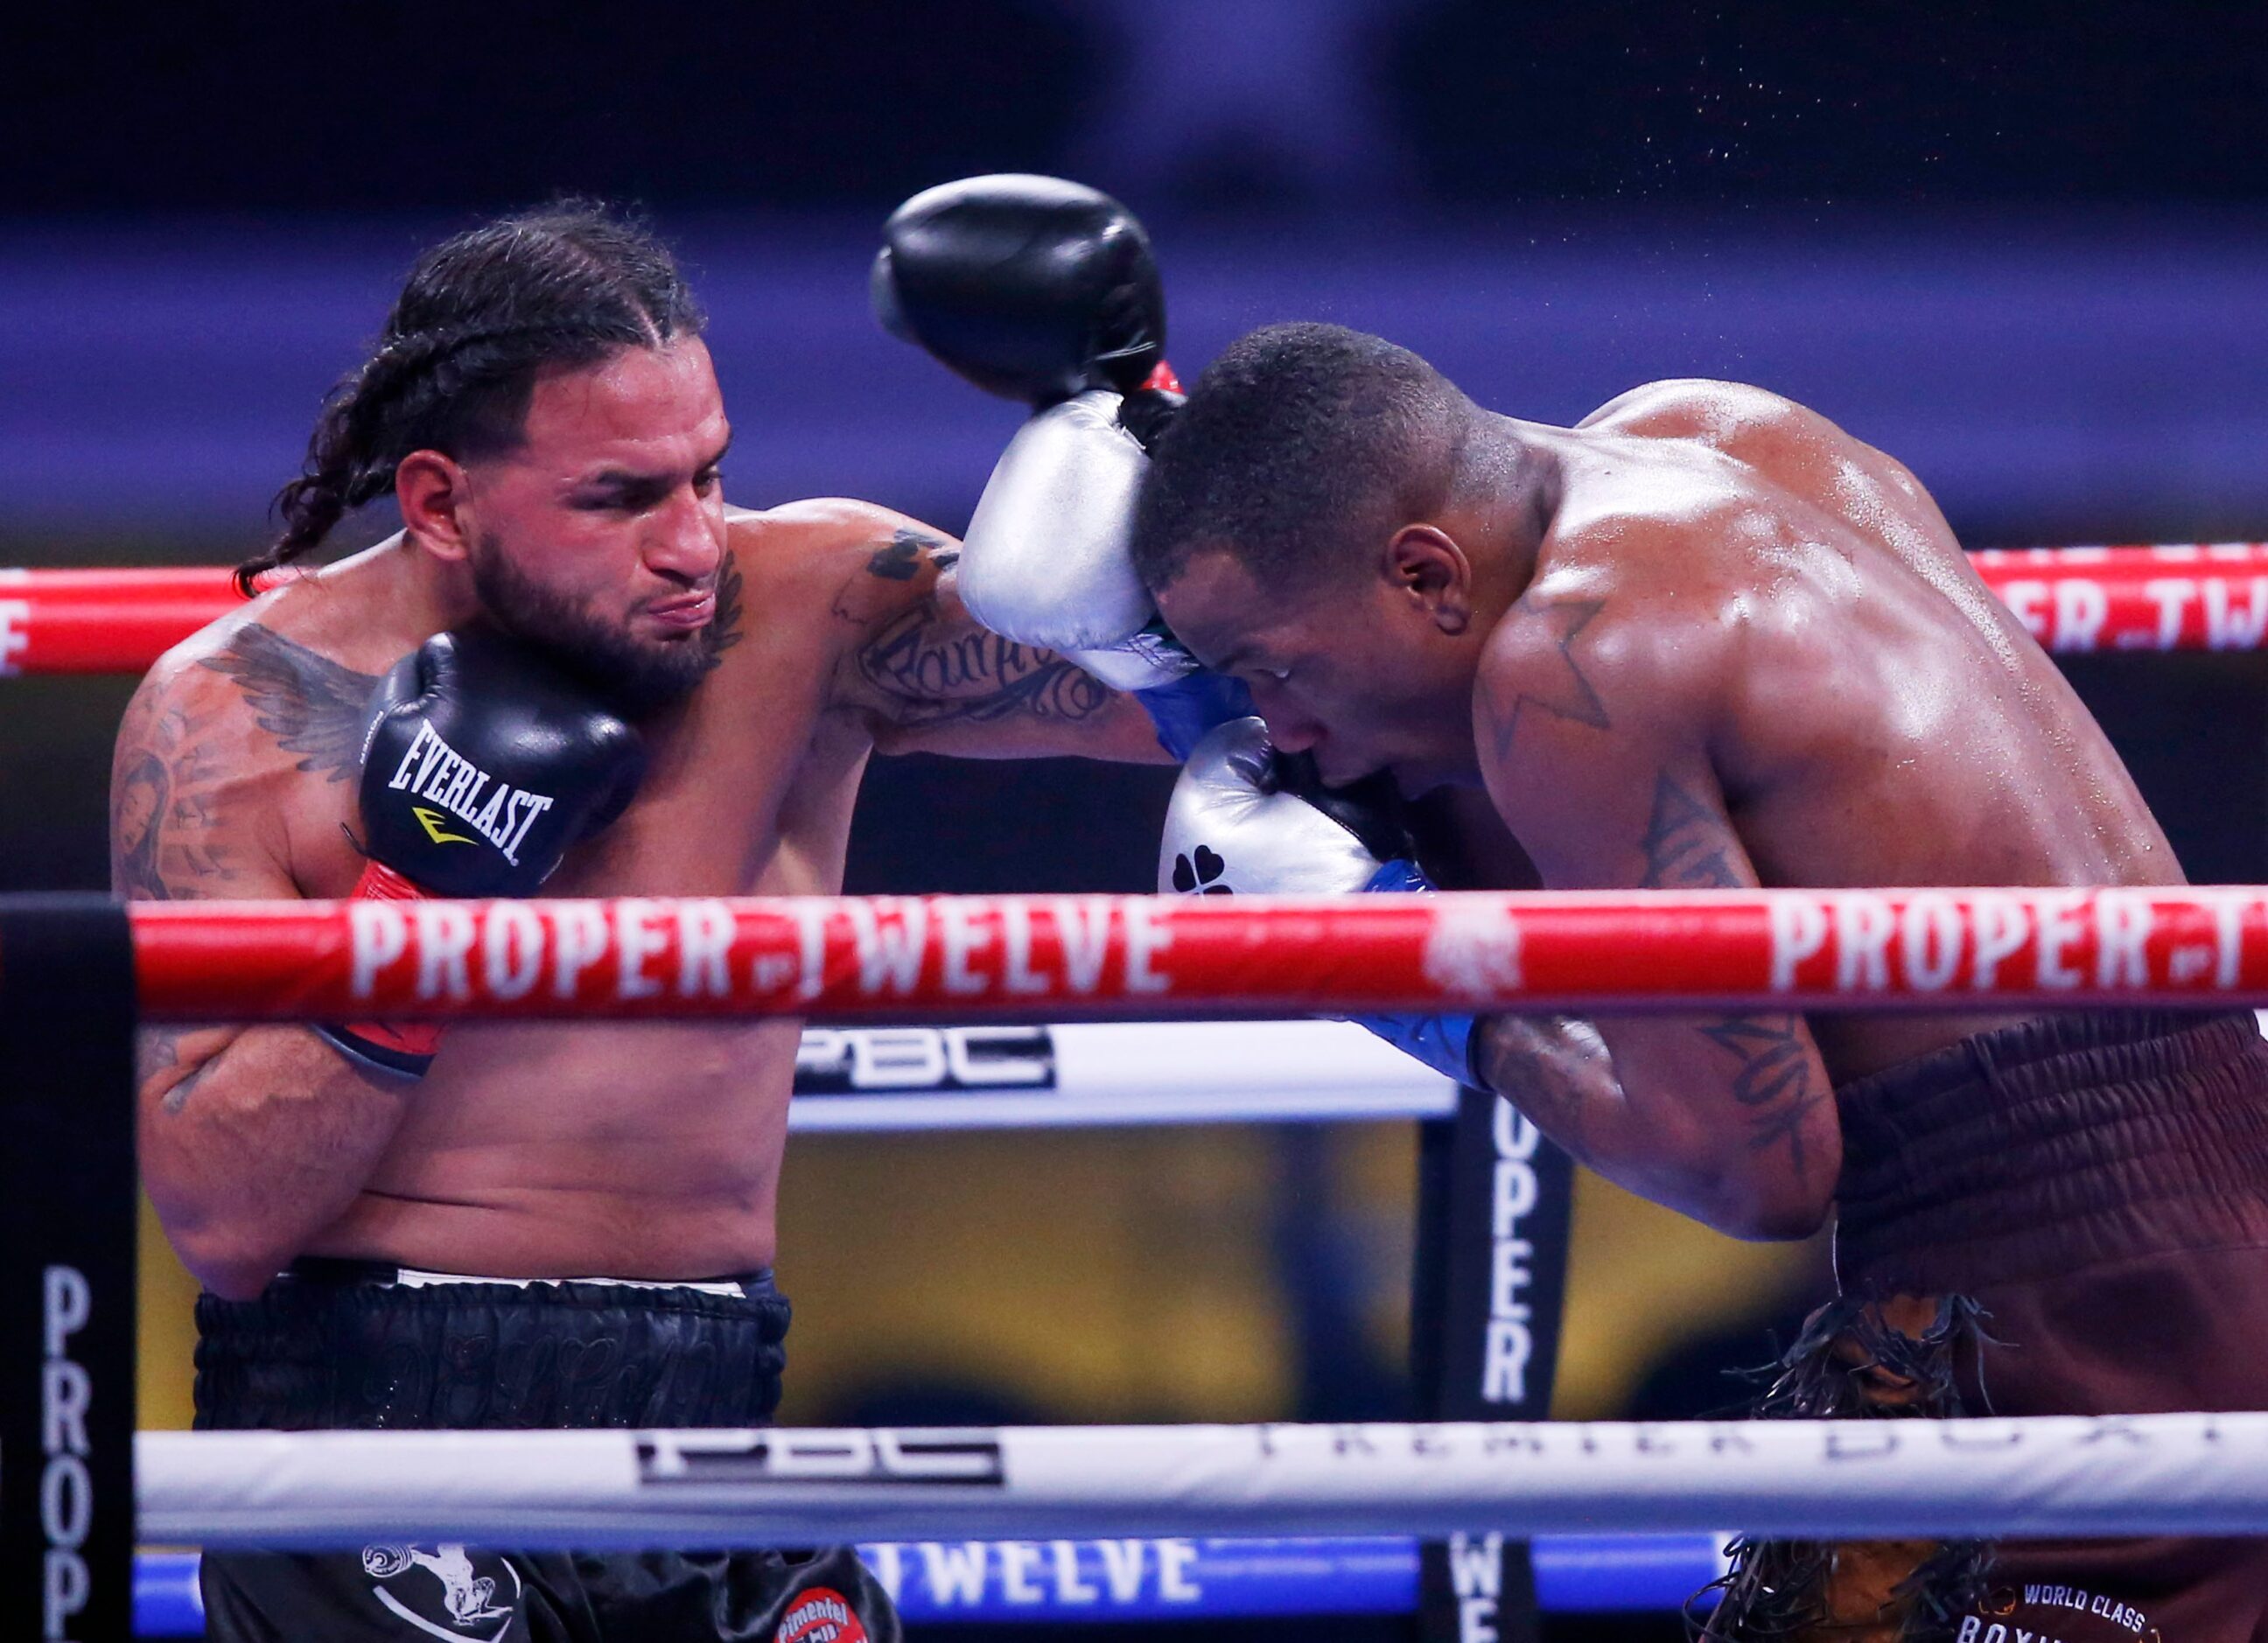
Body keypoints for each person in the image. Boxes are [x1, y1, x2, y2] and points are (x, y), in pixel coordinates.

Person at [1097, 323, 2268, 1638]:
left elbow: (1753, 1169)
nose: (1287, 726)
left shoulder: (1569, 671)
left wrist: (1385, 964)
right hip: (2187, 1206)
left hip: (2090, 1313)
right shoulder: (1717, 434)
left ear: (1427, 571)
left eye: (1271, 670)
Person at [114, 200, 1167, 1643]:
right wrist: (421, 901)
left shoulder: (814, 610)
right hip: (367, 1426)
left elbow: (1191, 698)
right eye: (621, 497)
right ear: (438, 501)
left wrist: (1129, 415)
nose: (692, 545)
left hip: (716, 1416)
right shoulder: (236, 717)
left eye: (709, 476)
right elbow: (223, 1222)